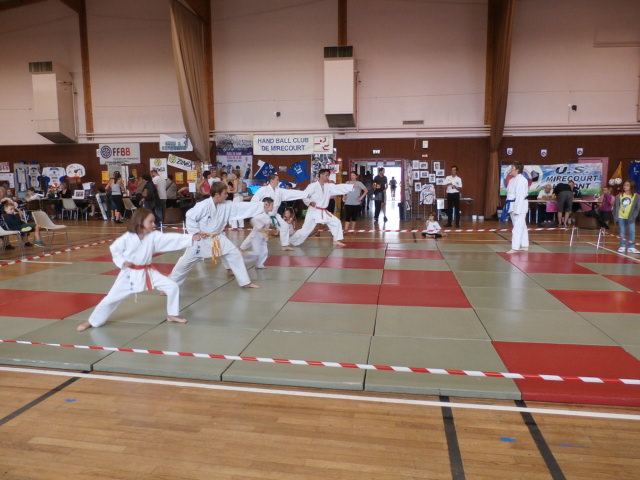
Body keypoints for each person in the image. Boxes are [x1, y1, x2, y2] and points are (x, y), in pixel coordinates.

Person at [76, 208, 202, 332]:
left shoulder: (153, 236)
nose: (154, 224)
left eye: (153, 221)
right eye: (150, 222)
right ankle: (92, 321)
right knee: (111, 299)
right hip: (129, 274)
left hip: (148, 272)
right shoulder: (127, 238)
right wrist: (122, 262)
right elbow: (114, 249)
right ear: (141, 222)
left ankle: (172, 315)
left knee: (172, 286)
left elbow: (171, 239)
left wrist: (190, 238)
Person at [169, 181, 267, 289]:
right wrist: (195, 232)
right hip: (201, 240)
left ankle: (245, 282)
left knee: (234, 254)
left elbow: (240, 207)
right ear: (217, 195)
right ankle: (169, 285)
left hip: (217, 237)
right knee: (185, 263)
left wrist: (261, 206)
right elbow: (190, 216)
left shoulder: (225, 205)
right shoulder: (203, 205)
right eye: (225, 193)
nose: (227, 195)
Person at [289, 169, 354, 248]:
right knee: (305, 230)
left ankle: (336, 240)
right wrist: (309, 202)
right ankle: (292, 240)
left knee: (336, 222)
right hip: (313, 211)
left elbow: (338, 188)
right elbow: (305, 195)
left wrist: (350, 187)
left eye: (328, 175)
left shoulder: (328, 186)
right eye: (326, 175)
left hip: (322, 211)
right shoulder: (312, 186)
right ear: (321, 175)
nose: (327, 177)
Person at [248, 174, 306, 250]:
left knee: (284, 226)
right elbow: (254, 200)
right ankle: (243, 247)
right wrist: (262, 206)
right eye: (277, 180)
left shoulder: (279, 191)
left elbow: (291, 193)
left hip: (274, 215)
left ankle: (284, 245)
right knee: (255, 233)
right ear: (271, 180)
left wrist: (305, 194)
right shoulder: (263, 190)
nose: (278, 181)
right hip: (264, 215)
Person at [242, 197, 275, 269]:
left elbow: (267, 223)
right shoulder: (260, 214)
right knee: (256, 253)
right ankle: (241, 259)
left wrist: (270, 225)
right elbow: (253, 220)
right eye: (272, 205)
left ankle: (259, 264)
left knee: (264, 252)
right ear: (266, 204)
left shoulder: (267, 215)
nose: (273, 207)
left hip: (263, 236)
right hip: (256, 236)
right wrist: (259, 226)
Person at [506, 162, 529, 254]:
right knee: (522, 226)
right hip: (512, 204)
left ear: (517, 169)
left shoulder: (522, 180)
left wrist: (517, 210)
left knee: (517, 227)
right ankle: (524, 245)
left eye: (512, 168)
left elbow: (520, 196)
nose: (511, 170)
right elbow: (510, 194)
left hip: (519, 206)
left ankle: (515, 247)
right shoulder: (512, 180)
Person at [613, 180, 639, 254]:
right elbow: (615, 206)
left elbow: (637, 208)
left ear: (631, 186)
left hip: (631, 217)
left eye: (627, 185)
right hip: (621, 217)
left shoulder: (636, 196)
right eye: (624, 185)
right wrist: (615, 215)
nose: (625, 186)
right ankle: (622, 246)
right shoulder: (619, 196)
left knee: (632, 231)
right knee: (622, 232)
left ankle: (631, 247)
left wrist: (634, 216)